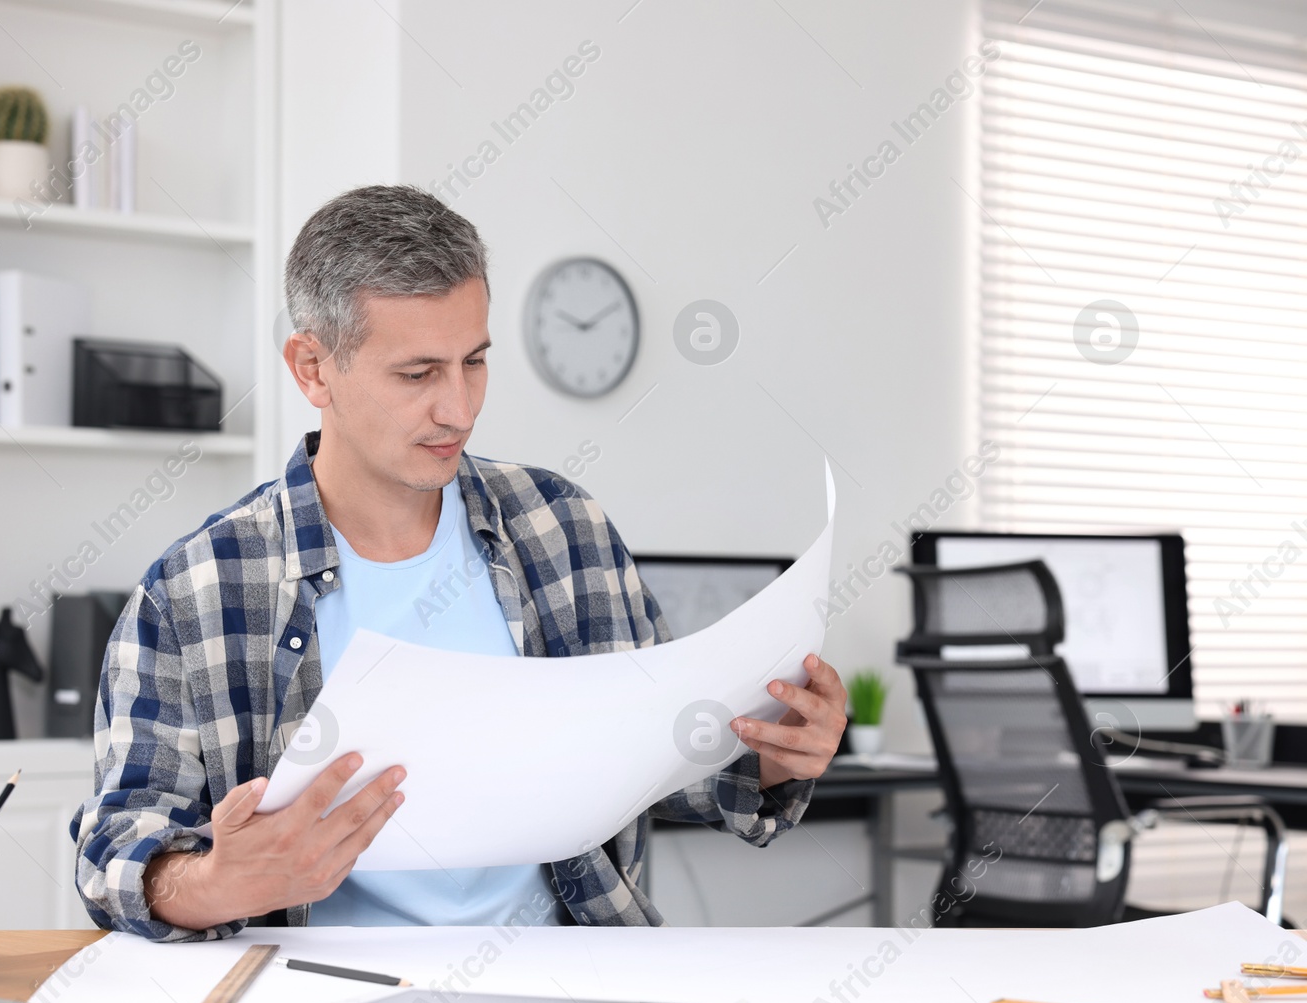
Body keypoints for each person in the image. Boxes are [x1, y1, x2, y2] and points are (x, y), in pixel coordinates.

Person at [71, 184, 848, 940]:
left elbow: (667, 764)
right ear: (312, 368)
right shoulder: (195, 591)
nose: (460, 408)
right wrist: (211, 882)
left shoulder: (562, 527)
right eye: (417, 375)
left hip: (571, 982)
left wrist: (777, 751)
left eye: (473, 361)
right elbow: (111, 849)